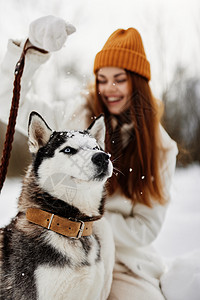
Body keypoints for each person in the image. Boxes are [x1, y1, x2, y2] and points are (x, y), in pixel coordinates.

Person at [0, 16, 178, 299]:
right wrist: (32, 50)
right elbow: (8, 102)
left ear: (139, 84)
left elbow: (146, 228)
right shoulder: (73, 118)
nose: (109, 89)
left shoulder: (161, 149)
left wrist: (97, 226)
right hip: (56, 242)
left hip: (125, 263)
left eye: (120, 79)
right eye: (102, 79)